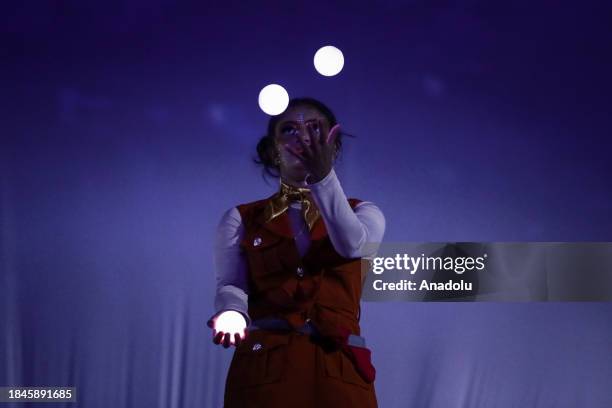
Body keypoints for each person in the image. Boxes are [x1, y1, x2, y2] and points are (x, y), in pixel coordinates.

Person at [207, 97, 386, 407]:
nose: (303, 137)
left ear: (335, 146)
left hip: (339, 372)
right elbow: (231, 283)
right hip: (266, 371)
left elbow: (351, 246)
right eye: (289, 130)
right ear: (273, 151)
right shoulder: (241, 217)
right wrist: (232, 311)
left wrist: (323, 178)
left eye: (315, 128)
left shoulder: (364, 212)